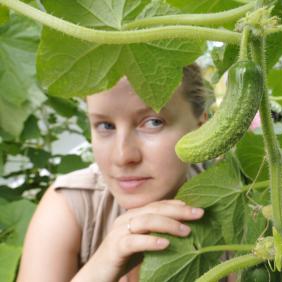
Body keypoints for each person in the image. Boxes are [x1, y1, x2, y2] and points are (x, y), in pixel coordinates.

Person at [17, 64, 210, 282]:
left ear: (201, 127)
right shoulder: (71, 203)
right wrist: (99, 268)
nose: (122, 156)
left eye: (153, 122)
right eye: (106, 126)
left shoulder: (238, 201)